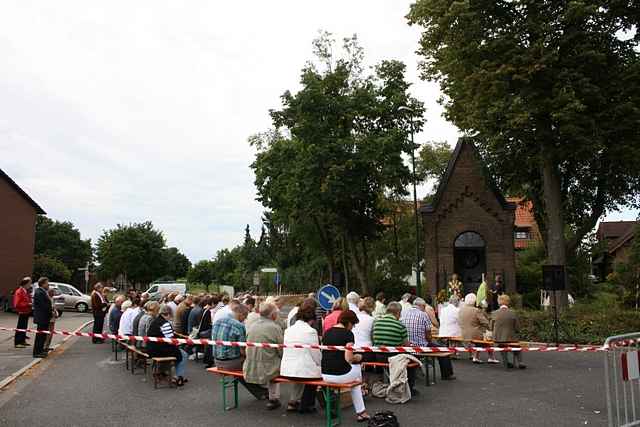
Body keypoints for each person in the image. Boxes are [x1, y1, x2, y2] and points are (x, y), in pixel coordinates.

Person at [322, 310, 370, 422]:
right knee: (357, 375)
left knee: (355, 380)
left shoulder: (327, 332)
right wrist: (359, 357)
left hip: (325, 374)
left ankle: (361, 411)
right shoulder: (348, 334)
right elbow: (349, 358)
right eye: (353, 324)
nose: (352, 327)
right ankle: (361, 412)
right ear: (349, 322)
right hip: (339, 375)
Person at [211, 303, 267, 399]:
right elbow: (242, 350)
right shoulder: (239, 326)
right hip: (231, 363)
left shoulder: (217, 322)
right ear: (241, 314)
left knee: (244, 367)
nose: (245, 320)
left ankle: (261, 392)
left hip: (217, 361)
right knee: (252, 362)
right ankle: (263, 390)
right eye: (245, 317)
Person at [281, 304, 322, 413]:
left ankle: (294, 401)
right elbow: (316, 355)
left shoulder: (288, 330)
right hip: (302, 370)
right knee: (316, 372)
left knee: (301, 371)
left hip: (287, 369)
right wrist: (320, 365)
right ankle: (307, 404)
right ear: (312, 320)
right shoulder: (311, 332)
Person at [243, 303, 284, 410]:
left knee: (269, 357)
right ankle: (273, 398)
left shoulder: (252, 326)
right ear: (272, 315)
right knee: (279, 361)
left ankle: (270, 396)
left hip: (250, 366)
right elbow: (281, 350)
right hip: (268, 369)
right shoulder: (275, 328)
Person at [403, 298, 456, 380]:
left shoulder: (404, 313)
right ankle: (447, 374)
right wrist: (430, 340)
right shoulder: (423, 315)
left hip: (407, 346)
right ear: (422, 306)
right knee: (443, 350)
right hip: (421, 346)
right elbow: (428, 335)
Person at [372, 302, 418, 394]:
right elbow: (407, 346)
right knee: (414, 360)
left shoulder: (376, 323)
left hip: (378, 356)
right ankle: (410, 388)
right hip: (394, 358)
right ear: (398, 313)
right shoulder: (400, 326)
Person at [146, 305, 189, 386]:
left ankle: (162, 372)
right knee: (183, 355)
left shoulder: (155, 321)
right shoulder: (165, 324)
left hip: (152, 348)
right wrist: (180, 342)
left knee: (177, 352)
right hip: (160, 350)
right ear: (168, 314)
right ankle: (178, 377)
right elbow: (171, 341)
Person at [459, 293, 499, 364]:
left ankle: (476, 357)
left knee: (481, 340)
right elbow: (485, 322)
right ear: (474, 301)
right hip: (475, 334)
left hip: (464, 333)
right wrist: (489, 329)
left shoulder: (461, 310)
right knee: (487, 340)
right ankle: (490, 357)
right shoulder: (476, 311)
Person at [491, 294, 526, 369]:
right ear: (508, 302)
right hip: (511, 337)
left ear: (499, 302)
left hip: (498, 338)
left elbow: (491, 327)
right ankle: (520, 362)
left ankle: (506, 362)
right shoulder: (513, 313)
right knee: (517, 347)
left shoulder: (494, 313)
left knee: (502, 346)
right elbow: (517, 327)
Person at [32, 277, 53, 358]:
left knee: (43, 335)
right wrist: (50, 311)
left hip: (44, 317)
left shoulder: (42, 292)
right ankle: (37, 352)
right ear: (43, 284)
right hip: (42, 318)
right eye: (47, 283)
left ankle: (41, 350)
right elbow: (44, 306)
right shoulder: (39, 292)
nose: (48, 285)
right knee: (40, 336)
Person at [13, 277, 32, 348]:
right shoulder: (19, 291)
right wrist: (28, 304)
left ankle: (22, 340)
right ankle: (17, 342)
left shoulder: (25, 291)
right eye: (30, 283)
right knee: (20, 327)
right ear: (26, 283)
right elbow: (17, 304)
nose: (30, 284)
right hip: (22, 311)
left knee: (24, 327)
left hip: (26, 311)